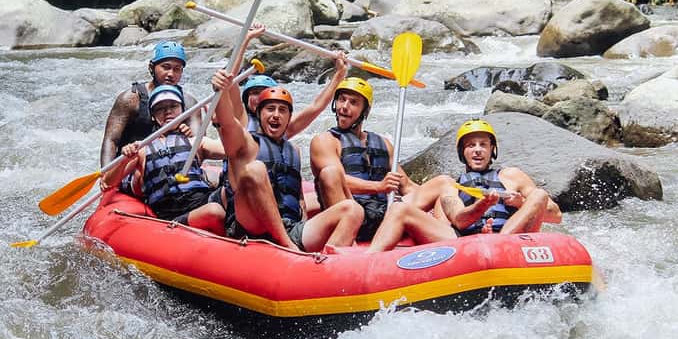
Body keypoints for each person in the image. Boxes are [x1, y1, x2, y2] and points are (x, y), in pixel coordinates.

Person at [210, 71, 363, 251]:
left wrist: (304, 224)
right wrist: (220, 91)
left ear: (289, 118)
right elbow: (227, 121)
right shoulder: (246, 143)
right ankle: (286, 245)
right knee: (255, 169)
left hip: (291, 226)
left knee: (353, 210)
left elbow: (298, 199)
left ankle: (325, 262)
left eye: (282, 110)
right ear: (259, 114)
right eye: (270, 109)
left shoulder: (293, 151)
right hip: (253, 225)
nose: (276, 115)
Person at [368, 119, 562, 251]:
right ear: (463, 152)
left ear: (492, 149)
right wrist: (482, 205)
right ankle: (368, 262)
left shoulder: (512, 176)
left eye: (483, 145)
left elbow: (556, 216)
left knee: (539, 195)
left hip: (509, 239)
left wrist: (520, 203)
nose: (477, 151)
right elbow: (460, 220)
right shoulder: (451, 186)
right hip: (464, 243)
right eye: (471, 146)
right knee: (400, 209)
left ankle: (499, 243)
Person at [309, 77, 454, 242]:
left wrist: (434, 205)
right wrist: (378, 186)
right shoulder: (324, 141)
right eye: (342, 100)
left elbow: (406, 185)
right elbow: (334, 180)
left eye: (353, 102)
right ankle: (346, 244)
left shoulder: (383, 143)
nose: (344, 107)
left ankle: (445, 236)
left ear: (366, 111)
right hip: (352, 215)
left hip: (384, 213)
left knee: (444, 182)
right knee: (329, 173)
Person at [101, 85, 226, 233]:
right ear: (153, 116)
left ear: (182, 110)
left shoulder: (196, 142)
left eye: (173, 106)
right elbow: (109, 182)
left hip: (202, 200)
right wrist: (125, 158)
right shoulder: (142, 149)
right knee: (214, 211)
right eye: (160, 108)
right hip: (171, 213)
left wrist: (220, 124)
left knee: (234, 190)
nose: (168, 111)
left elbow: (234, 151)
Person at [99, 41, 203, 169]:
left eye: (177, 69)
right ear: (151, 67)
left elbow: (199, 143)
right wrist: (106, 174)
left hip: (173, 166)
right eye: (166, 67)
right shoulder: (130, 99)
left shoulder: (189, 103)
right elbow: (111, 141)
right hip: (133, 167)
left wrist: (188, 135)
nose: (171, 74)